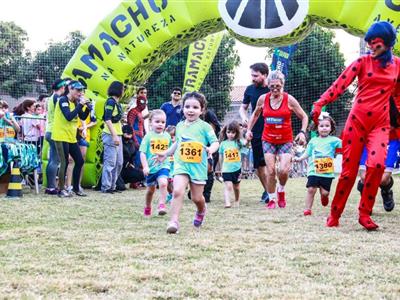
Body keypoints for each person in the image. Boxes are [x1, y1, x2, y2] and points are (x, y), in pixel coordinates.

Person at [311, 21, 400, 230]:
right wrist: (320, 102)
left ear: (387, 44)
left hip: (381, 124)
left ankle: (365, 213)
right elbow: (339, 85)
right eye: (369, 44)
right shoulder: (362, 62)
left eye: (376, 44)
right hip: (356, 123)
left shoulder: (397, 65)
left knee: (377, 165)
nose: (371, 48)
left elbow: (397, 95)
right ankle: (334, 214)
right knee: (349, 173)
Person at [156, 92, 219, 234]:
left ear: (202, 110)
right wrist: (165, 153)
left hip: (198, 166)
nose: (191, 110)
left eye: (195, 107)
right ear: (183, 108)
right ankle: (173, 221)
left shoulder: (205, 127)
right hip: (181, 164)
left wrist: (211, 149)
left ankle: (201, 210)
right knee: (177, 191)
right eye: (187, 107)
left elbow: (215, 142)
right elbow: (177, 144)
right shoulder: (179, 126)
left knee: (197, 198)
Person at [246, 70, 308, 209]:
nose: (274, 89)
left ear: (282, 85)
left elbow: (304, 116)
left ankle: (281, 190)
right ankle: (272, 199)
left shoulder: (289, 100)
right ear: (269, 85)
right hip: (268, 140)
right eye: (272, 86)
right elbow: (255, 115)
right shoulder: (263, 99)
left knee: (283, 171)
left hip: (285, 140)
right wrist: (249, 130)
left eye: (277, 86)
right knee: (271, 170)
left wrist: (303, 132)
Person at [357, 97, 400, 212]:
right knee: (364, 177)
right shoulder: (369, 103)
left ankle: (386, 191)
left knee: (384, 179)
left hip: (392, 140)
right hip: (370, 140)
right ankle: (365, 200)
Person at [293, 114, 341, 215]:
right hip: (313, 170)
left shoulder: (334, 140)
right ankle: (307, 209)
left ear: (331, 128)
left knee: (325, 192)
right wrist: (299, 158)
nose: (324, 128)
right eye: (321, 126)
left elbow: (346, 145)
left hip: (327, 172)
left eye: (327, 126)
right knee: (311, 189)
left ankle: (324, 197)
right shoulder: (313, 141)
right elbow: (307, 153)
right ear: (317, 127)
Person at [52, 81, 90, 197]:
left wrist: (88, 108)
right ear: (70, 89)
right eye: (78, 90)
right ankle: (61, 189)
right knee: (64, 162)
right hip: (60, 136)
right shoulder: (63, 100)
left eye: (81, 90)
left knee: (79, 161)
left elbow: (82, 116)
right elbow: (69, 116)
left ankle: (76, 188)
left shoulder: (76, 102)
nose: (80, 93)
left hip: (71, 137)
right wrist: (80, 105)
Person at [239, 63, 270, 202]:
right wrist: (245, 118)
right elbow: (242, 108)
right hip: (255, 132)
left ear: (264, 75)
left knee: (271, 164)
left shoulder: (272, 89)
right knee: (259, 166)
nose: (253, 78)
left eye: (255, 76)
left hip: (272, 131)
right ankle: (268, 191)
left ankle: (273, 191)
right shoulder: (250, 90)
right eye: (252, 75)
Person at [139, 109, 171, 216]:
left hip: (163, 165)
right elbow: (142, 153)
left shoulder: (167, 136)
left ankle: (162, 205)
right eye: (157, 122)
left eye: (163, 122)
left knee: (163, 183)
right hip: (151, 168)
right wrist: (145, 167)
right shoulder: (148, 136)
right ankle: (147, 206)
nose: (160, 124)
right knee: (150, 191)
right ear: (150, 122)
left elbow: (170, 151)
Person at [101, 81, 124, 193]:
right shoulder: (110, 101)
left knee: (119, 162)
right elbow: (107, 118)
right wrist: (114, 135)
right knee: (110, 162)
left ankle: (112, 185)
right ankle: (106, 186)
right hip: (110, 135)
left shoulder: (117, 103)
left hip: (118, 134)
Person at [44, 78, 66, 195]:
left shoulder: (50, 98)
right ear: (62, 87)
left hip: (49, 131)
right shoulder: (58, 98)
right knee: (55, 161)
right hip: (54, 132)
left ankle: (50, 186)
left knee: (52, 160)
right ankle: (51, 187)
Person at [219, 121, 244, 208]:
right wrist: (220, 168)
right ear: (225, 132)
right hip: (226, 169)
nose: (230, 134)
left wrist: (248, 140)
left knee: (236, 187)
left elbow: (246, 146)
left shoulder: (239, 143)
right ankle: (227, 202)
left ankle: (237, 200)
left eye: (233, 132)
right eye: (228, 132)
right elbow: (221, 157)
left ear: (236, 133)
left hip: (237, 169)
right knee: (228, 186)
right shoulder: (223, 144)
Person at [165, 125, 176, 203]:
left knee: (174, 182)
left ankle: (174, 195)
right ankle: (170, 193)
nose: (172, 139)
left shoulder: (178, 145)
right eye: (170, 137)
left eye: (173, 136)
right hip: (167, 164)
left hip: (175, 165)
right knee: (167, 182)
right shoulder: (165, 144)